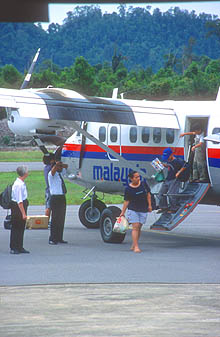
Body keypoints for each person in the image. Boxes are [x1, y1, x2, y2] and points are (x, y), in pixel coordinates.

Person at [119, 171, 152, 253]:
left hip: (143, 208)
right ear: (131, 178)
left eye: (138, 176)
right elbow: (126, 201)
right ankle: (136, 246)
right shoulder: (128, 189)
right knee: (135, 226)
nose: (138, 178)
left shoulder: (144, 184)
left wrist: (150, 205)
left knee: (139, 227)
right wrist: (122, 212)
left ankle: (134, 243)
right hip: (133, 209)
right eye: (136, 177)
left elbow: (148, 194)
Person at [157, 148, 186, 214]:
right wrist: (165, 165)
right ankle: (164, 207)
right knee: (161, 193)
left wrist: (179, 172)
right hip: (168, 179)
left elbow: (185, 165)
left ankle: (174, 208)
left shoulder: (177, 161)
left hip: (174, 179)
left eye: (167, 157)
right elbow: (170, 166)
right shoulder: (168, 160)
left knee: (171, 194)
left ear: (171, 155)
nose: (167, 158)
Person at [10, 165, 29, 254]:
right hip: (18, 208)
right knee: (16, 227)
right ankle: (14, 247)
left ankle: (20, 246)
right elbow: (19, 201)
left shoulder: (21, 183)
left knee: (21, 227)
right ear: (24, 173)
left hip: (22, 206)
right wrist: (23, 214)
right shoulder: (18, 185)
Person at [48, 160, 68, 245]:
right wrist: (56, 165)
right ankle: (52, 238)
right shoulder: (51, 175)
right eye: (59, 167)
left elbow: (66, 166)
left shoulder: (60, 174)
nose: (60, 168)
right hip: (55, 197)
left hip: (61, 197)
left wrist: (61, 164)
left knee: (61, 218)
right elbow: (54, 169)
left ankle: (59, 237)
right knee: (55, 218)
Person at [43, 153, 55, 219]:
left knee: (49, 206)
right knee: (48, 207)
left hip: (48, 189)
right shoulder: (50, 168)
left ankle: (47, 221)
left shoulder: (46, 168)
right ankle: (46, 221)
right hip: (50, 190)